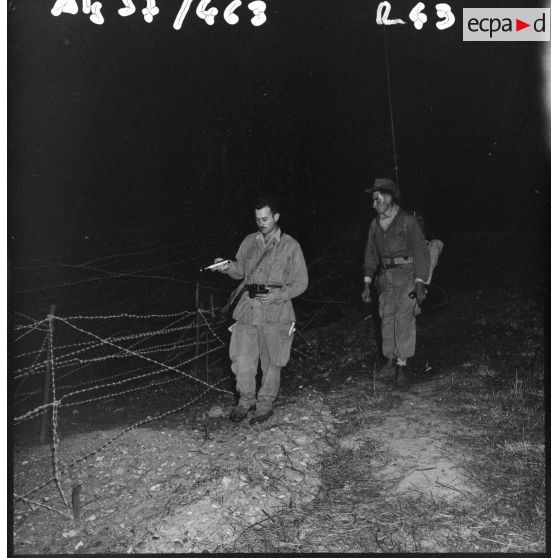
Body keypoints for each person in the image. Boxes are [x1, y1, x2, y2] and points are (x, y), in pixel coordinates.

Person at [212, 195, 308, 424]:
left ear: (276, 217)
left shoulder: (291, 246)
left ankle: (265, 404)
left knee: (272, 361)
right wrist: (226, 267)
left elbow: (301, 282)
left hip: (275, 311)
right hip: (248, 309)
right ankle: (245, 401)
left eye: (265, 219)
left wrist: (279, 294)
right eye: (257, 219)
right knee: (241, 358)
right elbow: (241, 271)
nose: (261, 223)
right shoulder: (249, 241)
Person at [361, 178, 430, 387]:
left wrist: (420, 282)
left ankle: (402, 366)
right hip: (385, 278)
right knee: (386, 318)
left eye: (377, 198)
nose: (374, 203)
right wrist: (366, 283)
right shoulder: (374, 225)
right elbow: (371, 255)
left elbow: (421, 252)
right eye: (373, 200)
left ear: (389, 197)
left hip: (407, 274)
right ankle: (389, 361)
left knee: (404, 318)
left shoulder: (408, 221)